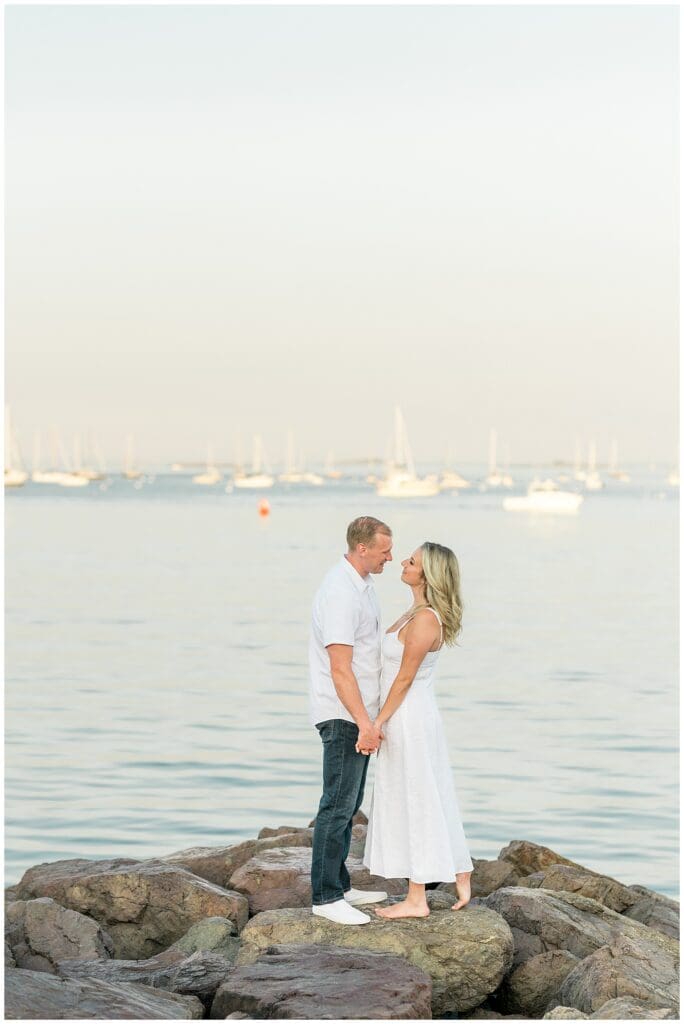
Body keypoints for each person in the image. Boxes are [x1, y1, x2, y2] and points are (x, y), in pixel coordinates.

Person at [360, 541, 474, 919]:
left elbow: (405, 677)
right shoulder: (416, 611)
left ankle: (416, 898)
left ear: (428, 575)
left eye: (412, 561)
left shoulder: (426, 619)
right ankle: (457, 868)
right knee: (417, 792)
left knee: (416, 796)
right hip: (403, 714)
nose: (403, 563)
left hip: (409, 716)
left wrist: (377, 723)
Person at [308, 516, 393, 925]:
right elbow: (340, 668)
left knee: (349, 803)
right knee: (336, 805)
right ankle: (325, 898)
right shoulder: (340, 592)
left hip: (359, 714)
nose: (390, 558)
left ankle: (340, 885)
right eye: (383, 551)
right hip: (344, 714)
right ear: (362, 548)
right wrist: (364, 722)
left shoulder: (363, 587)